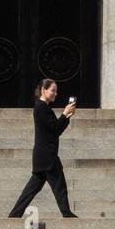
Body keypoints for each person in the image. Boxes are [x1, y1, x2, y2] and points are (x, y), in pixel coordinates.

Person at [7, 78, 78, 219]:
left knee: (32, 189)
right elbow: (54, 129)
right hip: (47, 156)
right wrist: (64, 114)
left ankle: (14, 215)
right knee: (59, 186)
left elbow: (55, 131)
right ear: (43, 90)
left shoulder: (43, 108)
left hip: (43, 156)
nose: (55, 94)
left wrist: (67, 116)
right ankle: (66, 213)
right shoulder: (41, 108)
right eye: (52, 90)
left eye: (56, 91)